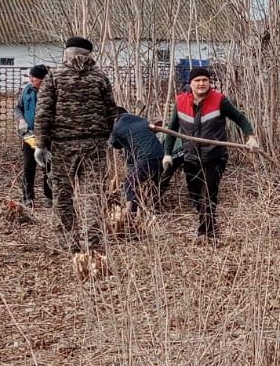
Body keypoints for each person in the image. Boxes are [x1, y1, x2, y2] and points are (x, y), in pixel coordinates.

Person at [34, 36, 119, 253]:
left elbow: (43, 113)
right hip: (95, 145)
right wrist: (110, 137)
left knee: (62, 195)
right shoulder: (100, 77)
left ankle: (68, 244)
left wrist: (40, 144)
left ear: (67, 53)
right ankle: (94, 244)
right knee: (93, 195)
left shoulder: (55, 76)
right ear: (89, 54)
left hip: (62, 146)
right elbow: (112, 111)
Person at [158, 66, 260, 239]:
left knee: (209, 193)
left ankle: (207, 232)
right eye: (197, 80)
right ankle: (205, 222)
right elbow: (172, 127)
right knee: (195, 194)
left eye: (205, 80)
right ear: (190, 84)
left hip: (215, 156)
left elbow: (240, 118)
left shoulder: (219, 100)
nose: (201, 83)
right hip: (190, 156)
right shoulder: (181, 101)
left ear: (209, 82)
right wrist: (167, 152)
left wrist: (250, 136)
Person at [110, 108, 168, 217]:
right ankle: (157, 208)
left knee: (129, 184)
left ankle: (131, 213)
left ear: (115, 117)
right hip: (161, 155)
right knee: (155, 184)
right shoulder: (141, 120)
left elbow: (115, 144)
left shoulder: (116, 126)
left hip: (146, 158)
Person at [12, 64, 53, 205]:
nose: (30, 80)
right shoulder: (27, 90)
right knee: (29, 165)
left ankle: (50, 197)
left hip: (47, 136)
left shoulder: (51, 91)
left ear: (43, 79)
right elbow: (18, 107)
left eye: (33, 78)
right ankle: (28, 197)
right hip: (29, 135)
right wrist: (21, 119)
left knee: (48, 166)